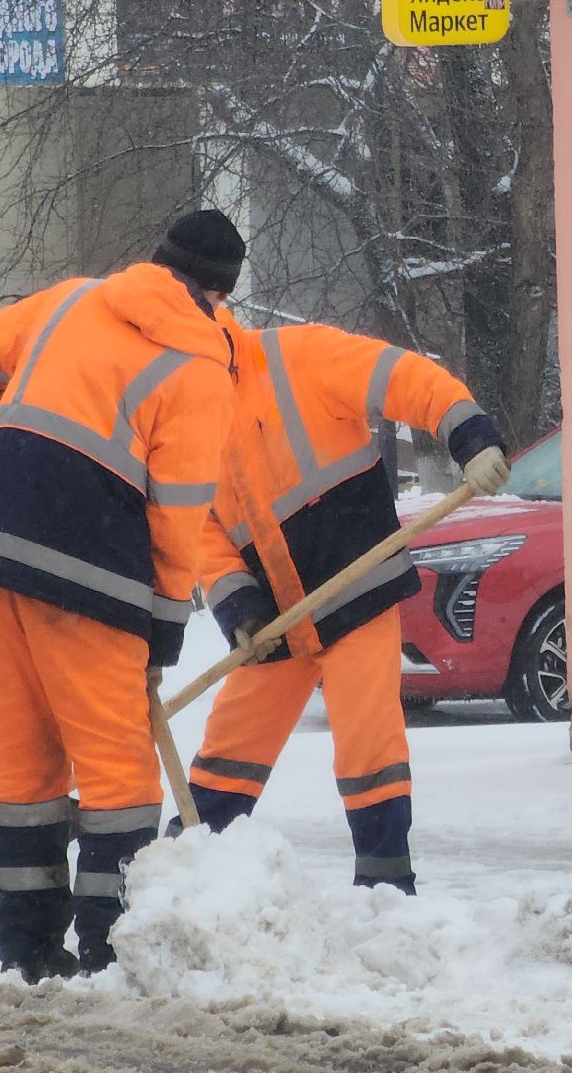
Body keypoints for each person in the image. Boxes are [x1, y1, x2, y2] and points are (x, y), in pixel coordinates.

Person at [0, 210, 245, 980]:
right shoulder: (200, 370)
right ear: (218, 297)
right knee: (119, 775)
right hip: (92, 570)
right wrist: (165, 630)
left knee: (24, 765)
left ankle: (26, 951)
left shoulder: (75, 299)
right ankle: (112, 953)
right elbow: (178, 518)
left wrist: (36, 437)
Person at [173, 317, 510, 893]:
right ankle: (183, 882)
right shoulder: (181, 417)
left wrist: (470, 437)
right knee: (229, 747)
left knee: (367, 744)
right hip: (274, 620)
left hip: (357, 594)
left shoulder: (297, 356)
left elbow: (406, 377)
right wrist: (239, 607)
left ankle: (384, 892)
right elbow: (201, 527)